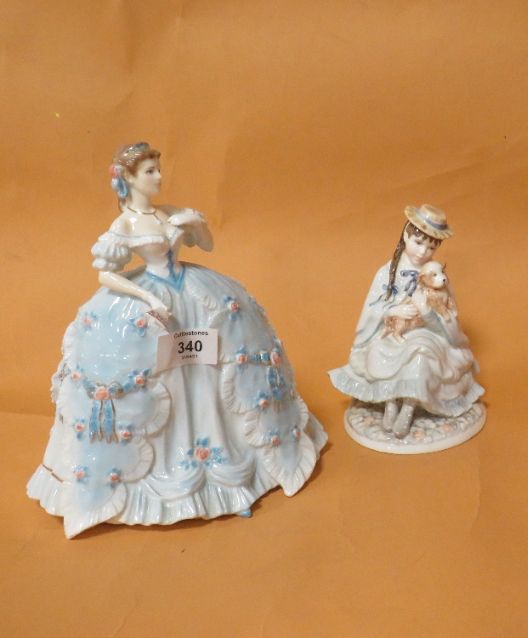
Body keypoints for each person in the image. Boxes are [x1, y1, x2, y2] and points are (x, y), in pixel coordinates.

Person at [27, 142, 326, 537]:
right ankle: (164, 476)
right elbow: (106, 274)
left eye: (158, 169)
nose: (158, 177)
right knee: (160, 376)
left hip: (194, 293)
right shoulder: (126, 225)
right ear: (129, 178)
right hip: (152, 299)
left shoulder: (168, 212)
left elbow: (207, 245)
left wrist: (194, 225)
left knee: (211, 369)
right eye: (149, 171)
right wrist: (146, 297)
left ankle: (227, 472)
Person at [329, 205, 484, 450]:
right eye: (418, 243)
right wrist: (392, 311)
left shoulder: (436, 274)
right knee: (379, 351)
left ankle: (408, 408)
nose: (423, 252)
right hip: (393, 331)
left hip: (427, 334)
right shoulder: (386, 273)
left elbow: (448, 317)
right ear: (405, 235)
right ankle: (390, 403)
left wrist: (428, 314)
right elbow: (371, 309)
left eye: (431, 247)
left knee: (420, 355)